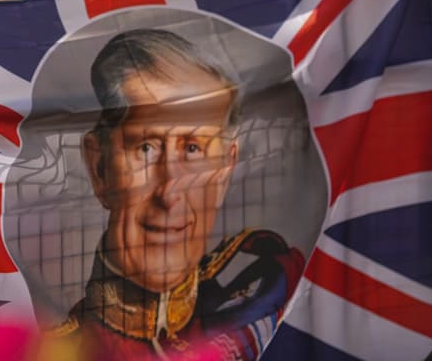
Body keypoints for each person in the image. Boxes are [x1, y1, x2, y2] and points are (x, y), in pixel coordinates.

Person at [51, 29, 304, 359]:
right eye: (145, 148)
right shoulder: (52, 352)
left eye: (194, 149)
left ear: (226, 170)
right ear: (100, 168)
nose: (169, 192)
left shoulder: (277, 297)